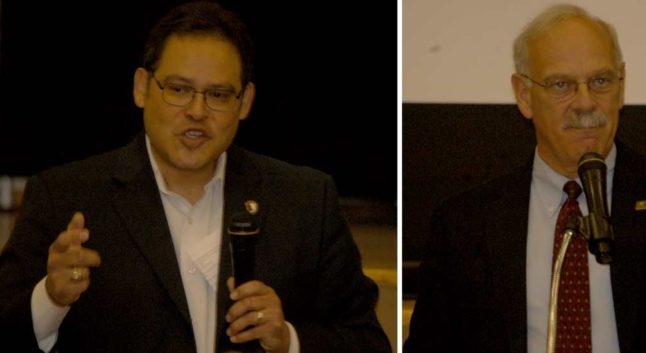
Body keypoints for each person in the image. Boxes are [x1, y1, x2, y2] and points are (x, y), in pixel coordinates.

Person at [0, 2, 390, 353]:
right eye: (179, 89)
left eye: (218, 95)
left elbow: (367, 341)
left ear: (246, 102)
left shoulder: (305, 199)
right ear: (141, 88)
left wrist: (287, 340)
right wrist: (50, 299)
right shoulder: (65, 196)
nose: (197, 111)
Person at [404, 4, 646, 353]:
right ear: (525, 95)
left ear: (621, 85)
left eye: (599, 81)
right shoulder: (465, 224)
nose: (584, 102)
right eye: (561, 85)